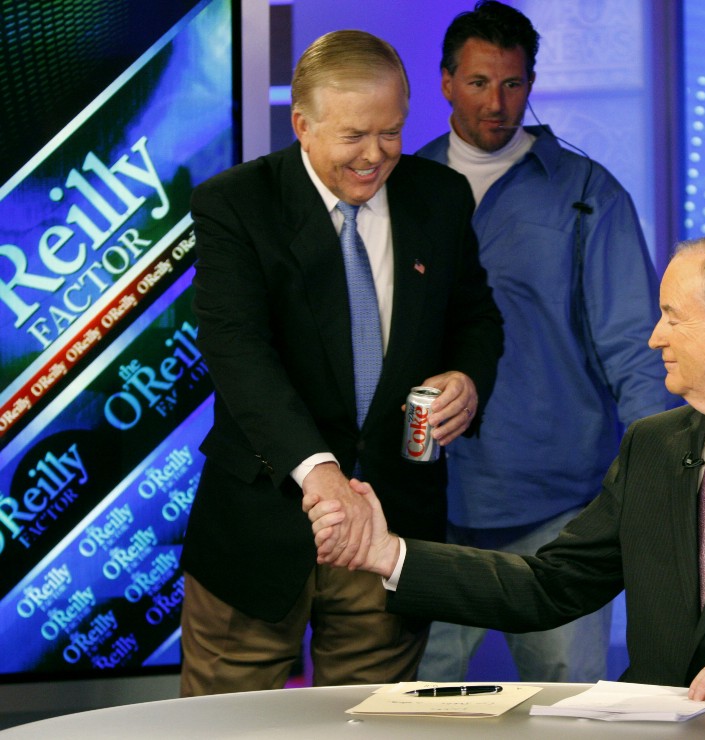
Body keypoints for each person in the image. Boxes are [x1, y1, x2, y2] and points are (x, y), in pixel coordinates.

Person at [308, 232, 705, 709]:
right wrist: (389, 554)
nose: (654, 338)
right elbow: (550, 585)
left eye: (672, 316)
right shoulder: (651, 446)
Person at [179, 30, 503, 696]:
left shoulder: (440, 197)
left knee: (373, 722)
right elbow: (238, 354)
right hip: (261, 524)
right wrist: (318, 473)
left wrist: (467, 380)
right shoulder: (235, 204)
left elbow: (476, 319)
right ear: (302, 125)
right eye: (354, 136)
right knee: (227, 726)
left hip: (392, 526)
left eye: (391, 132)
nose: (375, 155)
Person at [414, 1, 673, 683]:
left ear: (531, 83)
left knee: (568, 711)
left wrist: (658, 481)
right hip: (430, 503)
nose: (496, 103)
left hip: (561, 505)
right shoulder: (400, 185)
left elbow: (634, 346)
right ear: (446, 82)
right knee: (410, 709)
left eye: (513, 84)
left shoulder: (587, 193)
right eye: (478, 83)